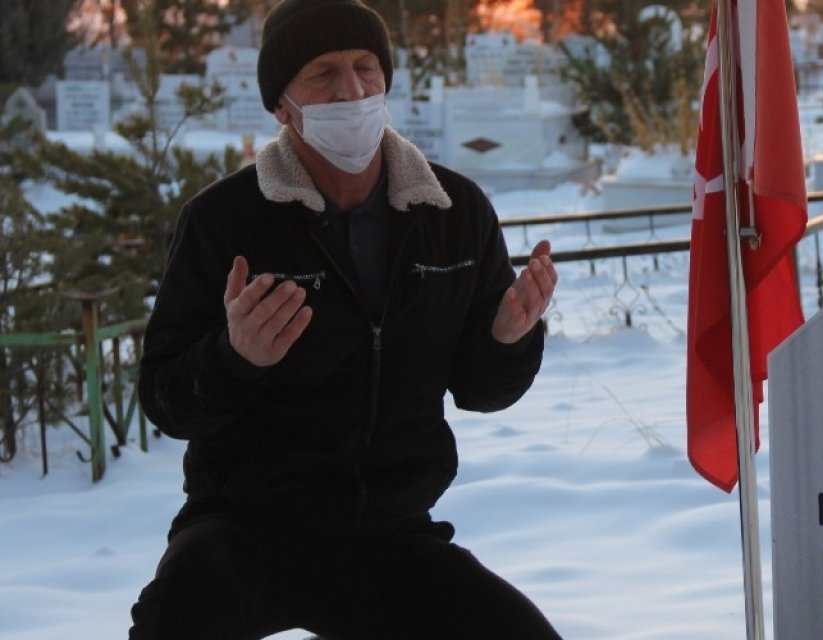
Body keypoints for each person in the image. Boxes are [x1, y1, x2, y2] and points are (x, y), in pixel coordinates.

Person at [128, 0, 561, 637]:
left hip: (392, 535)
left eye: (365, 67)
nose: (352, 90)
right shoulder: (224, 221)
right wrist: (233, 358)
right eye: (324, 73)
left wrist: (507, 341)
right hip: (247, 531)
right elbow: (166, 400)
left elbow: (480, 390)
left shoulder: (455, 213)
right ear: (282, 105)